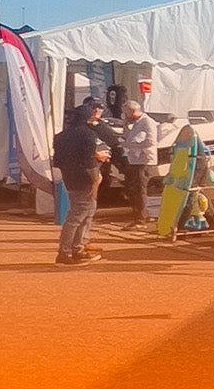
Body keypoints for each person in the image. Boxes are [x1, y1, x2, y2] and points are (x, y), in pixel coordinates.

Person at [51, 103, 108, 266]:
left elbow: (57, 161)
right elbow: (88, 161)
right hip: (85, 178)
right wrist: (96, 178)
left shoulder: (60, 136)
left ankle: (78, 249)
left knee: (86, 212)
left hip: (69, 177)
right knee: (78, 215)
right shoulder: (88, 134)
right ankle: (65, 252)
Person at [120, 100, 159, 227]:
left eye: (126, 113)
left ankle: (142, 218)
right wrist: (125, 127)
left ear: (133, 111)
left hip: (144, 160)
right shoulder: (134, 123)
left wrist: (132, 145)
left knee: (141, 189)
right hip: (133, 159)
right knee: (133, 189)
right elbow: (127, 136)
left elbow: (151, 141)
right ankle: (138, 215)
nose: (125, 116)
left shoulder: (147, 122)